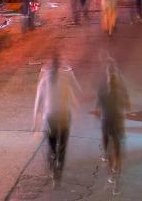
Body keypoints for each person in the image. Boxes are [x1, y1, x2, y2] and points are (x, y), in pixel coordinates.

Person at [33, 56, 81, 187]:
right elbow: (73, 97)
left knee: (51, 145)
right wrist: (75, 112)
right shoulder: (65, 79)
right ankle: (59, 167)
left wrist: (35, 126)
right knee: (63, 146)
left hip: (50, 119)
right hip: (65, 117)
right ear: (59, 68)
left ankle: (53, 169)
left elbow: (38, 104)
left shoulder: (44, 80)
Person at [98, 62, 130, 188]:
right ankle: (117, 169)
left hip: (107, 123)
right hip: (118, 123)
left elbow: (100, 109)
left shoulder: (104, 95)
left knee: (107, 144)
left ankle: (111, 168)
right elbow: (128, 106)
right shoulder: (121, 94)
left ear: (108, 84)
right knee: (118, 147)